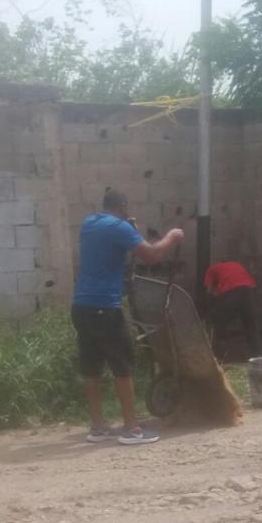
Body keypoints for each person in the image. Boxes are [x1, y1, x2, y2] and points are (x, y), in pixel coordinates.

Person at [72, 189, 184, 445]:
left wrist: (128, 228)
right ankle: (132, 429)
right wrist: (173, 236)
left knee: (92, 368)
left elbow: (115, 244)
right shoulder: (119, 228)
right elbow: (153, 254)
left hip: (81, 306)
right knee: (122, 366)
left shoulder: (90, 223)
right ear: (122, 206)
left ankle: (98, 428)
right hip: (105, 307)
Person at [204, 261, 261, 359]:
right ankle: (256, 354)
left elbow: (209, 291)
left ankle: (218, 356)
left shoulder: (211, 269)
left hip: (231, 291)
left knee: (221, 323)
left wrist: (211, 306)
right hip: (249, 290)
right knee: (250, 324)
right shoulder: (236, 264)